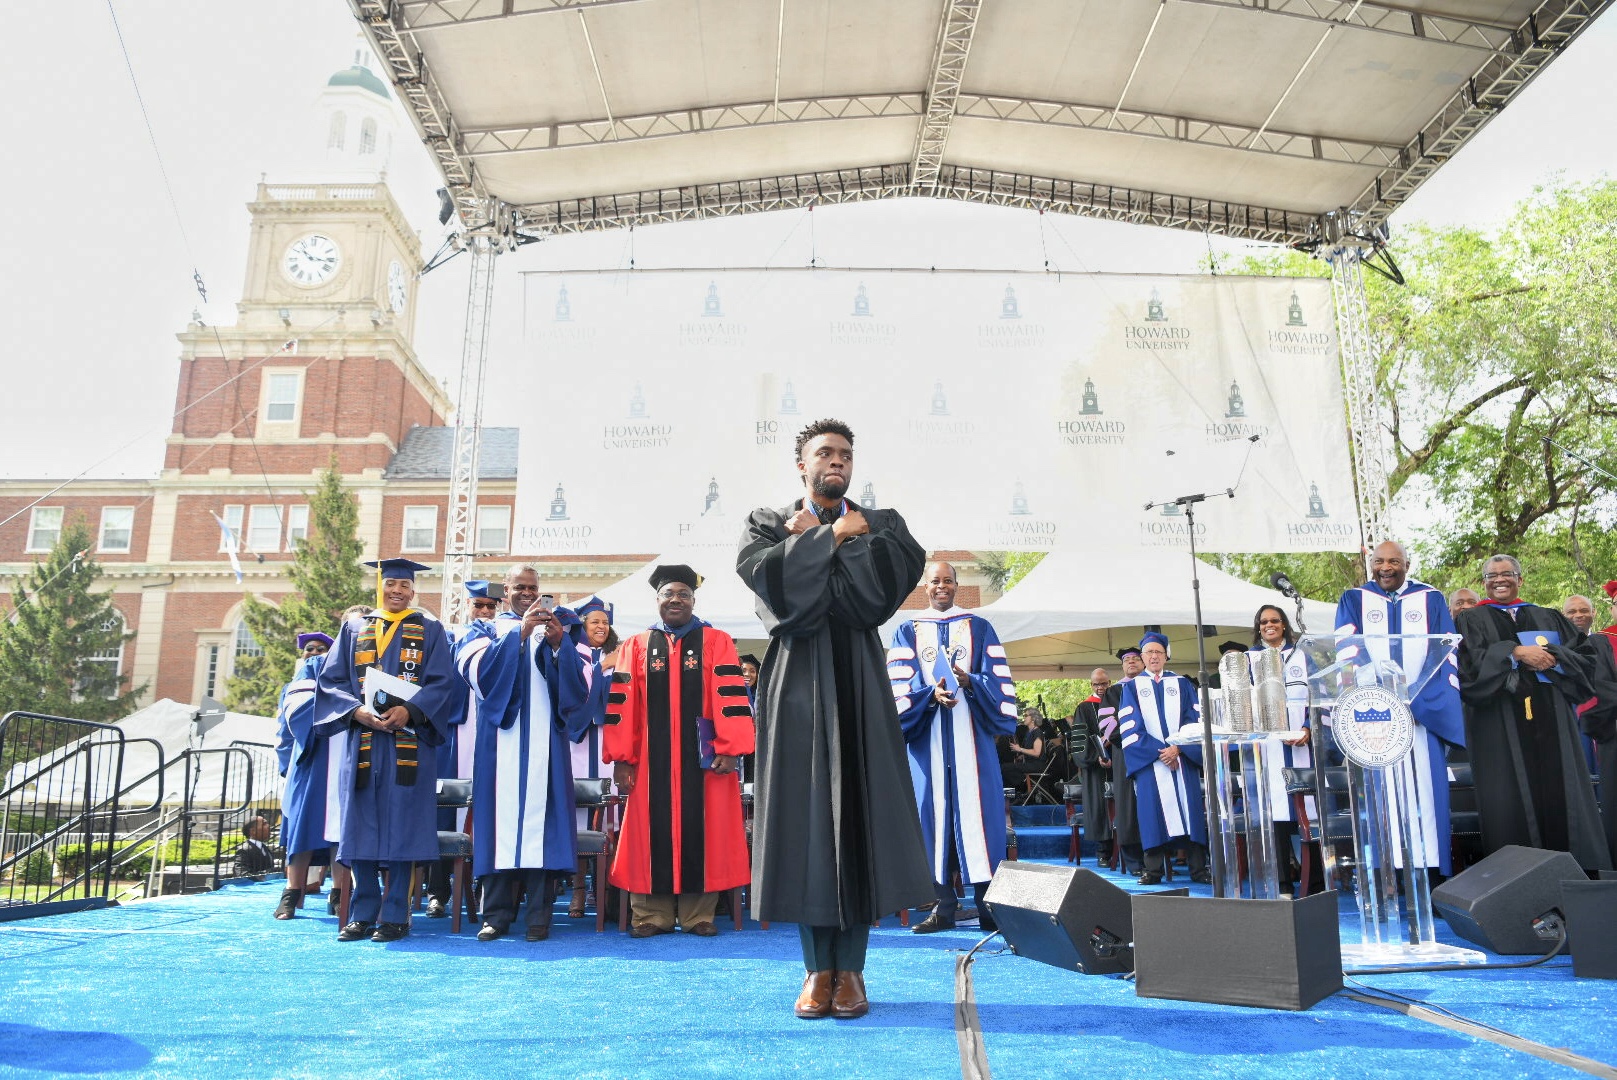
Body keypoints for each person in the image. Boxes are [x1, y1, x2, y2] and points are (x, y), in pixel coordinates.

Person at [738, 417, 931, 1021]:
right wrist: (833, 540)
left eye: (846, 453)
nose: (837, 461)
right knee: (805, 825)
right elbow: (787, 603)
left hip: (859, 683)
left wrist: (834, 539)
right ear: (802, 464)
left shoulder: (883, 525)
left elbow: (867, 602)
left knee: (859, 823)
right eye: (825, 453)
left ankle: (852, 971)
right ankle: (815, 972)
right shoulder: (766, 525)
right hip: (796, 685)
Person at [603, 565, 755, 938]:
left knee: (706, 832)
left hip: (704, 761)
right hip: (650, 763)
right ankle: (649, 916)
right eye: (668, 594)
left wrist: (731, 748)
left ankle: (698, 915)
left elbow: (731, 697)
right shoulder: (636, 646)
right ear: (657, 600)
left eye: (683, 594)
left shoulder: (716, 641)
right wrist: (622, 757)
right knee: (646, 835)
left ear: (693, 600)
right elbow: (622, 705)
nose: (676, 600)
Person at [314, 558, 460, 942]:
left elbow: (443, 682)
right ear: (379, 585)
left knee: (404, 826)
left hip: (407, 742)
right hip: (363, 741)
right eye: (391, 583)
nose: (397, 591)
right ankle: (362, 912)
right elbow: (331, 681)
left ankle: (395, 913)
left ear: (414, 590)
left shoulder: (430, 629)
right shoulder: (354, 628)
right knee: (360, 826)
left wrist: (409, 709)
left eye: (404, 586)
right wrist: (356, 710)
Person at [455, 563, 593, 942]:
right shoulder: (483, 630)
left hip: (546, 748)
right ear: (506, 589)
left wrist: (557, 645)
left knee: (543, 832)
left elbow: (579, 688)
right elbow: (478, 675)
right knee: (497, 829)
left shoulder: (557, 628)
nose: (528, 594)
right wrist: (520, 633)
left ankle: (538, 918)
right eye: (520, 587)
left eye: (533, 587)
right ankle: (496, 917)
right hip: (500, 746)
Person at [1455, 555, 1613, 872]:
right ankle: (1515, 879)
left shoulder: (1549, 617)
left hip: (1552, 717)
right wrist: (1514, 652)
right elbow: (1468, 668)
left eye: (1507, 574)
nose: (1500, 579)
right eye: (1492, 575)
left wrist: (1552, 655)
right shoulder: (1470, 621)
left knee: (1563, 799)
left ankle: (1576, 874)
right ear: (1483, 582)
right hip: (1499, 725)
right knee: (1511, 805)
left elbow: (1585, 659)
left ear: (1520, 579)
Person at [888, 561, 1017, 934]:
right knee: (932, 817)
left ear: (957, 585)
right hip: (927, 742)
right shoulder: (906, 631)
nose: (941, 587)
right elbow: (898, 685)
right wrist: (931, 693)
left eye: (947, 581)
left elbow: (1000, 681)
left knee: (982, 817)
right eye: (935, 582)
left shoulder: (980, 628)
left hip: (972, 739)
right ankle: (942, 907)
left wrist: (971, 681)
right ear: (924, 587)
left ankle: (987, 905)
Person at [1335, 540, 1465, 876]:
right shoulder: (1354, 599)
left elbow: (1445, 652)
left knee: (1426, 788)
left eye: (1394, 561)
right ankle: (1388, 874)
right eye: (1379, 561)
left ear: (1407, 564)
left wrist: (1420, 699)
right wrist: (1379, 700)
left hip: (1421, 712)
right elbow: (1348, 650)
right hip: (1377, 717)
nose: (1386, 567)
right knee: (1383, 793)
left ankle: (1431, 872)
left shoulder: (1430, 598)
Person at [1118, 633, 1210, 885]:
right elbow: (1129, 728)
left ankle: (1198, 869)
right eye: (1149, 652)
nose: (1154, 656)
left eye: (1158, 651)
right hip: (1151, 763)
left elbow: (1195, 722)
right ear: (1143, 657)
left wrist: (1178, 749)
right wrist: (1162, 751)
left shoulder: (1182, 684)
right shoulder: (1132, 688)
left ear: (1167, 654)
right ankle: (1154, 870)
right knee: (1151, 815)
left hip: (1182, 760)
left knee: (1190, 811)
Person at [1249, 608, 1315, 891]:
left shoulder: (1303, 656)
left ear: (1285, 625)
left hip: (1304, 746)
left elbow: (1319, 696)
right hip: (1268, 748)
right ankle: (1283, 882)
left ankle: (1315, 880)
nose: (1269, 625)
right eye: (1264, 622)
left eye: (1274, 620)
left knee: (1309, 812)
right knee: (1275, 813)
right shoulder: (1249, 659)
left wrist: (1309, 727)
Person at [273, 631, 337, 919]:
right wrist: (287, 764)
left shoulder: (341, 676)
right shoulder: (294, 685)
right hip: (308, 760)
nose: (313, 653)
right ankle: (291, 892)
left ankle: (339, 892)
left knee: (338, 829)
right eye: (309, 649)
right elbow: (284, 732)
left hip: (339, 758)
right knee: (300, 828)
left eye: (321, 648)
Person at [561, 594, 617, 920]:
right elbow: (573, 698)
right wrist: (601, 668)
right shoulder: (572, 656)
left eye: (605, 622)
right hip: (580, 744)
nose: (601, 626)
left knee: (610, 816)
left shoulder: (613, 657)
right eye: (595, 621)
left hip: (607, 743)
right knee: (580, 816)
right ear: (582, 625)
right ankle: (578, 889)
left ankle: (605, 889)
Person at [1101, 646, 1147, 874]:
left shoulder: (1151, 686)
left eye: (1136, 659)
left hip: (1152, 754)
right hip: (1125, 754)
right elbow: (1107, 725)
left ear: (1145, 662)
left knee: (1150, 803)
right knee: (1128, 805)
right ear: (1122, 665)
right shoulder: (1114, 691)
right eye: (1127, 660)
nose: (1131, 662)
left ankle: (1154, 857)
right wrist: (1133, 741)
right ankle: (1134, 861)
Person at [1069, 668, 1113, 867]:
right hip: (1095, 769)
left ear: (1109, 683)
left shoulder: (1117, 704)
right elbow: (1078, 742)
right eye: (1097, 684)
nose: (1101, 687)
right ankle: (1103, 852)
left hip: (1118, 766)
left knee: (1122, 808)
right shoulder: (1084, 708)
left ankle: (1125, 850)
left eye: (1104, 683)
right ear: (1091, 685)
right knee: (1100, 809)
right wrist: (1097, 757)